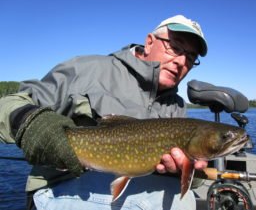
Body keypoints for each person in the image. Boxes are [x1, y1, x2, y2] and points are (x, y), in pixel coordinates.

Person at [0, 14, 208, 210]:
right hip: (64, 184)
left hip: (136, 189)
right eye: (175, 47)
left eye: (191, 57)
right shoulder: (87, 69)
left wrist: (185, 171)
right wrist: (32, 123)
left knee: (183, 200)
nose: (182, 62)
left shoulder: (177, 107)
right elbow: (9, 102)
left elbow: (188, 171)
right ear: (150, 42)